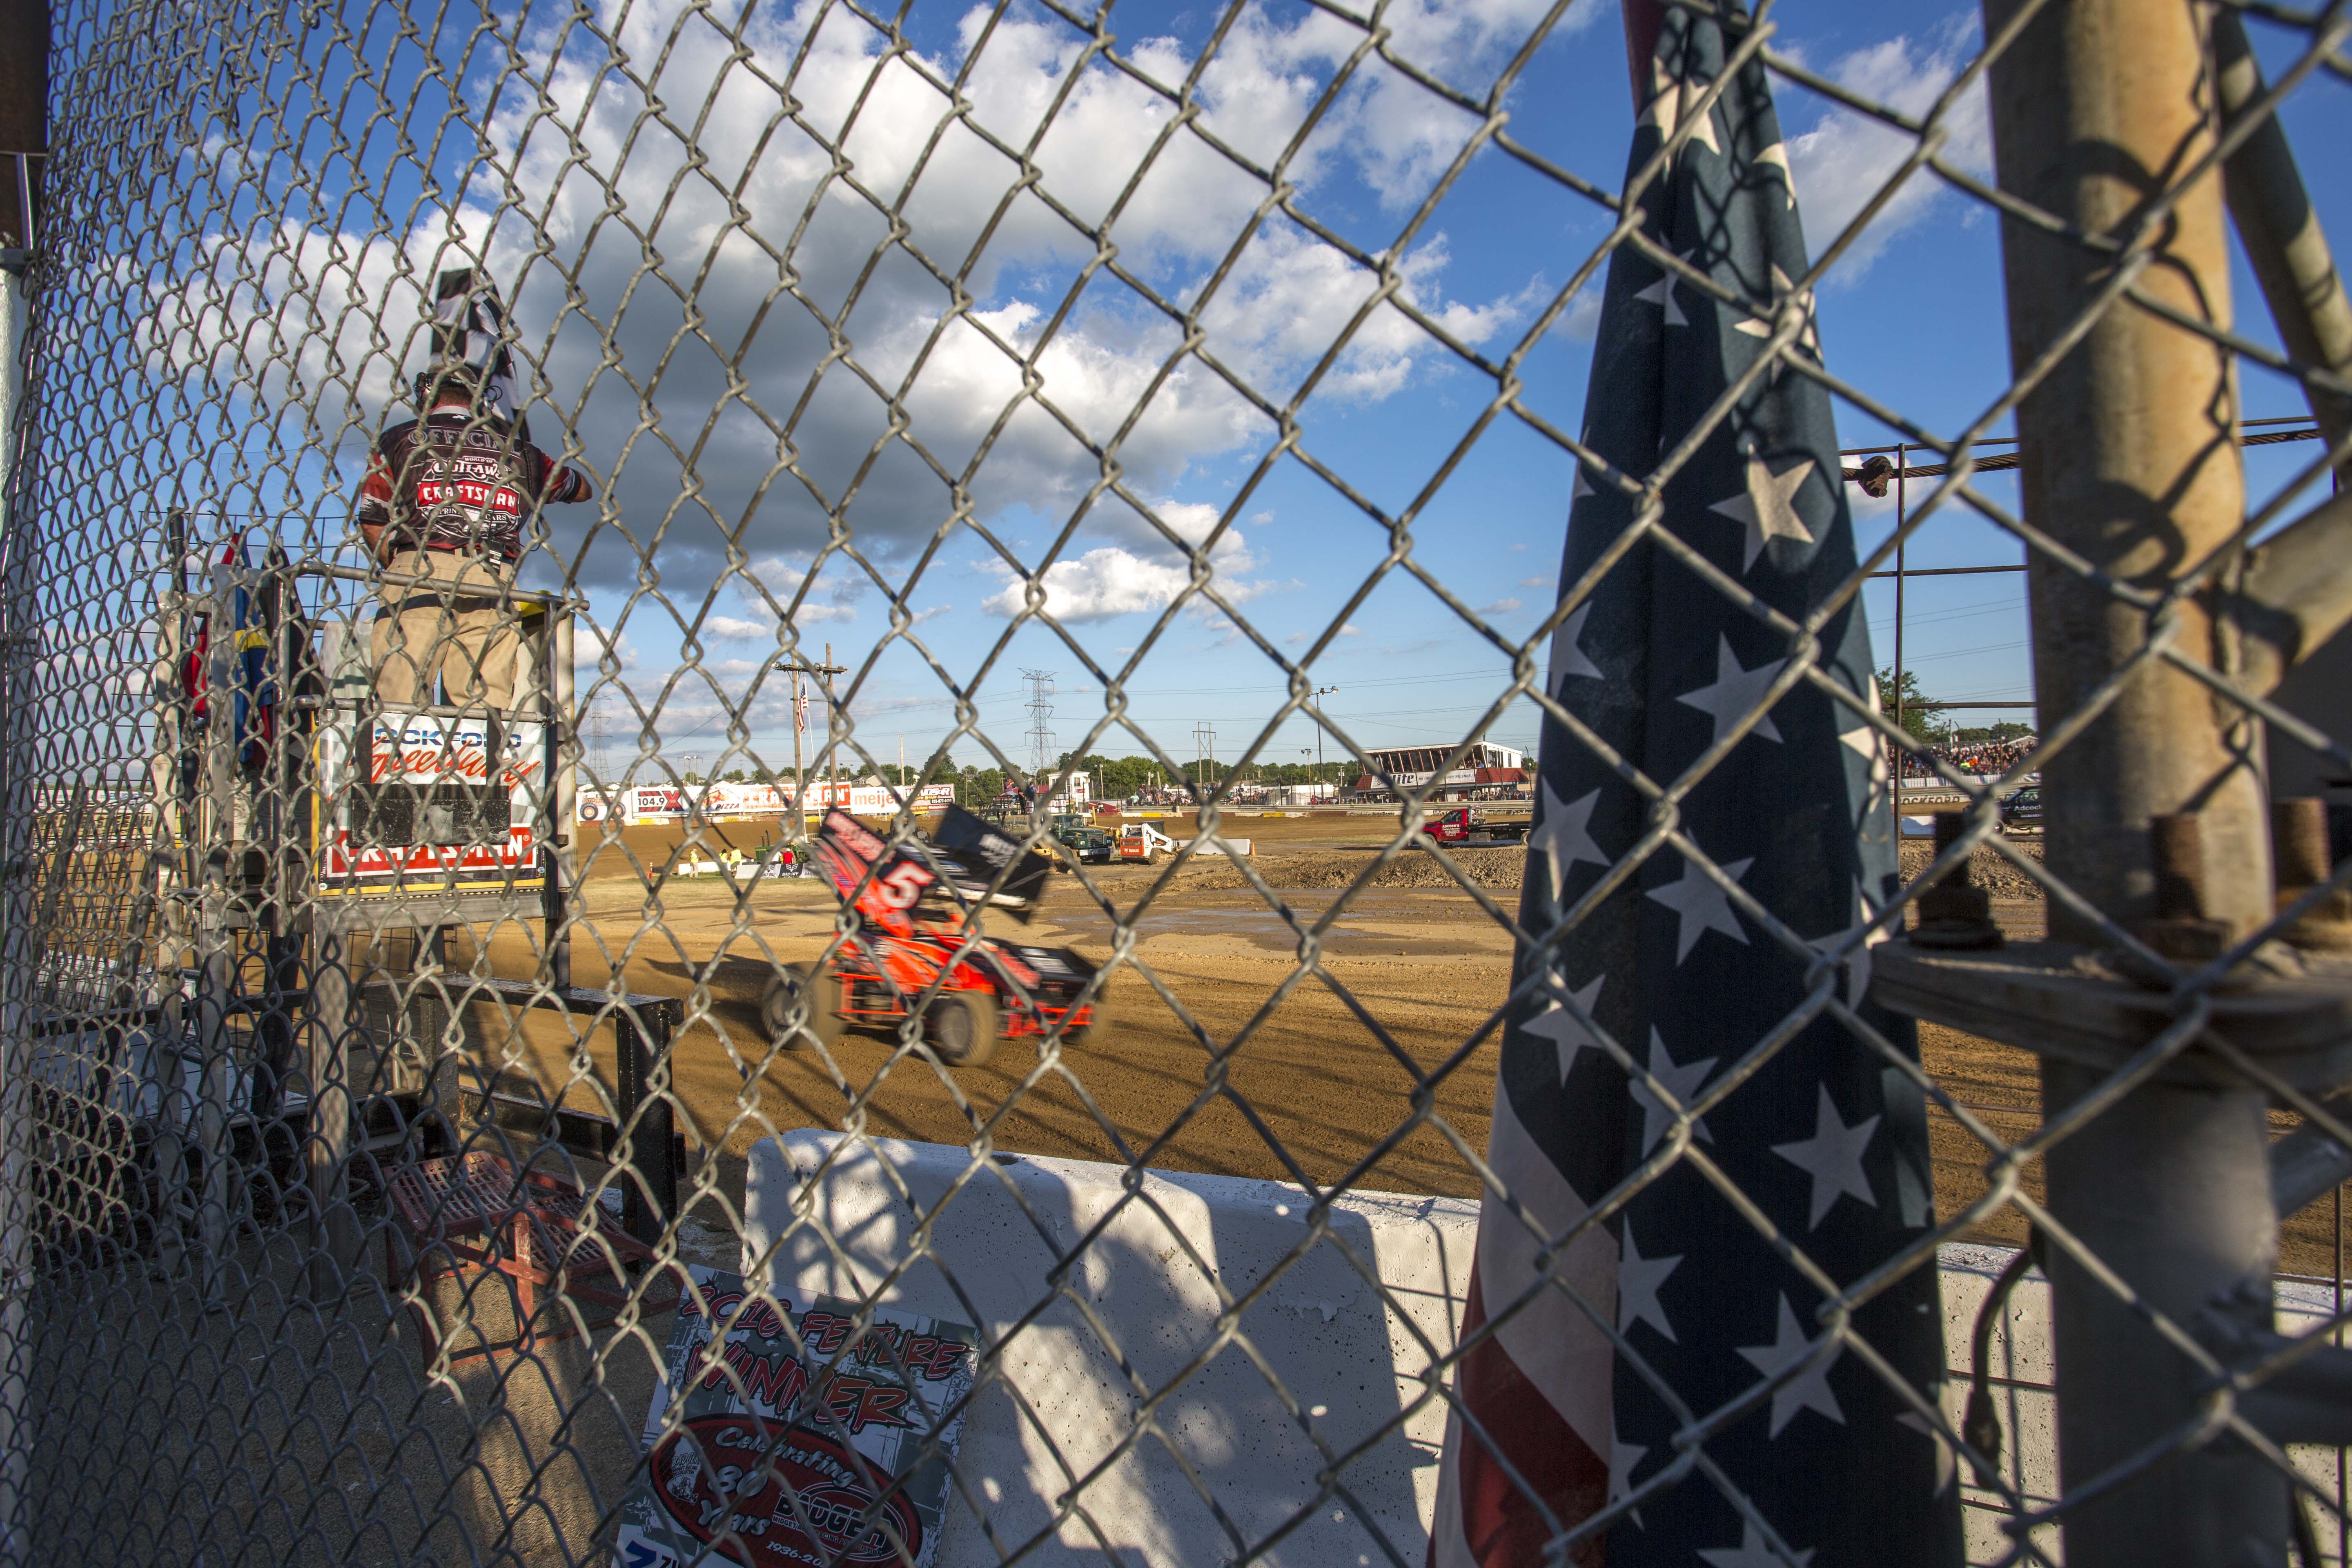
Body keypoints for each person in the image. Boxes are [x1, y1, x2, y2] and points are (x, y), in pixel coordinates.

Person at [356, 361, 594, 713]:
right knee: (483, 704)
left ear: (426, 396)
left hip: (419, 565)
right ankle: (481, 763)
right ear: (483, 399)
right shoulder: (522, 452)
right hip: (493, 574)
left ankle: (401, 764)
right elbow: (582, 489)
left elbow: (373, 516)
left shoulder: (401, 438)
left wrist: (396, 566)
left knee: (400, 696)